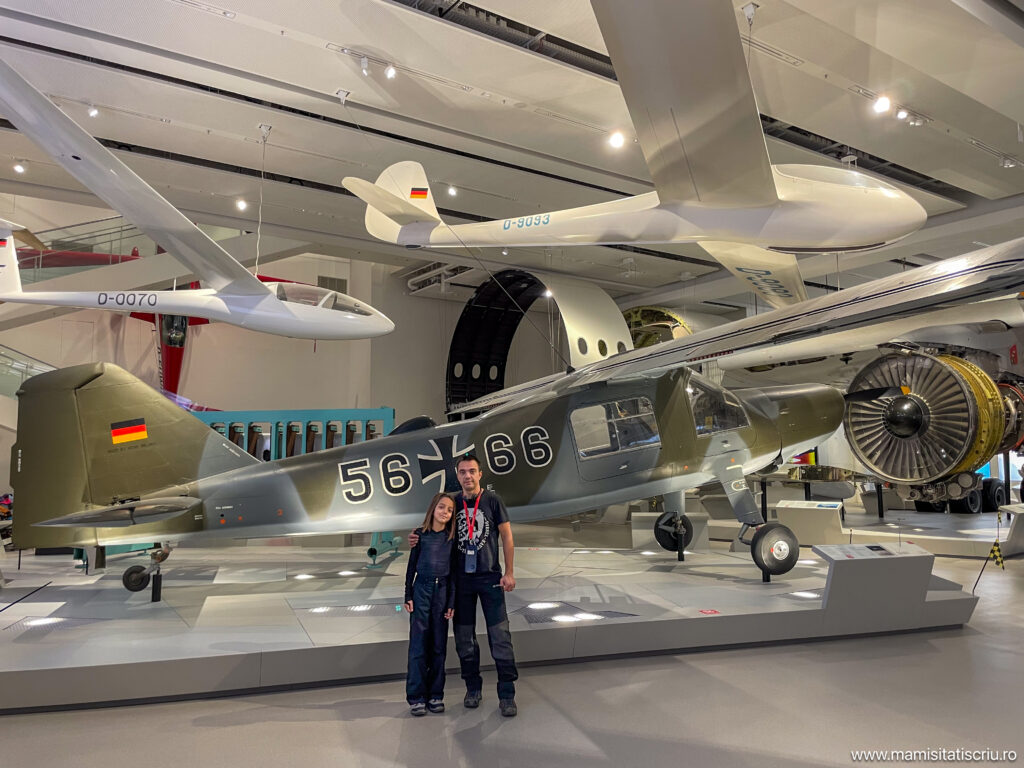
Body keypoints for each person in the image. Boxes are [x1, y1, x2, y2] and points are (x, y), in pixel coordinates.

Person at [410, 454, 519, 716]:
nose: (467, 476)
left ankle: (507, 694)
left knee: (500, 638)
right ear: (457, 475)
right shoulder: (454, 502)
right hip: (461, 583)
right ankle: (473, 688)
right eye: (462, 472)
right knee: (464, 640)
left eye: (472, 471)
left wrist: (509, 572)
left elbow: (506, 536)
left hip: (490, 579)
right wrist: (417, 535)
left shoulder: (493, 500)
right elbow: (435, 522)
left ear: (480, 474)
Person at [404, 492, 457, 716]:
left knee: (438, 646)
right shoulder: (419, 535)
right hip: (421, 591)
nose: (445, 512)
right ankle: (416, 697)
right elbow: (411, 567)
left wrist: (451, 602)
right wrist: (408, 594)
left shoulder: (451, 538)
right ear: (433, 508)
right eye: (442, 507)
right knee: (418, 645)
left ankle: (436, 694)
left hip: (442, 593)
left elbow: (453, 574)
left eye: (450, 510)